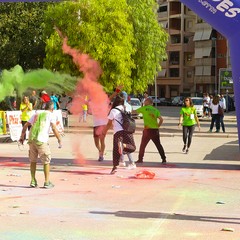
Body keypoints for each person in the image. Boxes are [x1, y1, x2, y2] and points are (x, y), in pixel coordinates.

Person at [19, 101, 62, 189]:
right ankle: (46, 182)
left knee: (33, 160)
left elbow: (25, 125)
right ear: (52, 108)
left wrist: (22, 137)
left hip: (32, 140)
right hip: (41, 140)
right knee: (46, 160)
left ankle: (33, 181)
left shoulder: (36, 113)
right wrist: (59, 139)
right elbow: (54, 128)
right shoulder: (50, 114)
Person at [104, 93, 136, 174]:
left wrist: (104, 131)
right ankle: (124, 146)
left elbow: (109, 123)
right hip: (127, 131)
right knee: (132, 147)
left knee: (116, 151)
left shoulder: (113, 111)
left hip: (118, 132)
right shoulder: (126, 108)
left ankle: (115, 167)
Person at [135, 97, 166, 164]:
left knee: (143, 145)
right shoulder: (155, 110)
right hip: (155, 130)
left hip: (147, 130)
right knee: (158, 145)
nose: (144, 102)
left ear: (148, 102)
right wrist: (158, 126)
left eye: (145, 101)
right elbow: (161, 119)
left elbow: (134, 111)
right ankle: (163, 159)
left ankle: (140, 159)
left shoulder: (144, 108)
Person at [119, 91, 136, 169]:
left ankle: (131, 162)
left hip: (123, 127)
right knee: (122, 143)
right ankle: (122, 160)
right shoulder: (129, 105)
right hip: (128, 127)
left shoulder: (122, 106)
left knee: (124, 144)